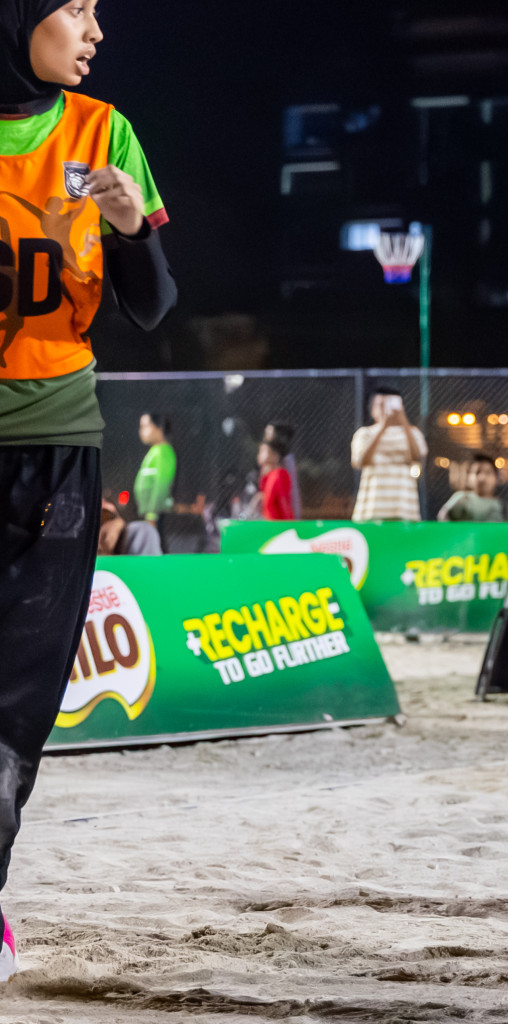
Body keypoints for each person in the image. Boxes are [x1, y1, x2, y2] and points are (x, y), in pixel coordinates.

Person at [0, 0, 176, 984]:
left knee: (16, 701)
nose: (96, 28)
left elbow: (151, 304)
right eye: (76, 7)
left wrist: (129, 229)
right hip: (48, 448)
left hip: (52, 449)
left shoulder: (103, 133)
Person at [350, 387, 426, 521]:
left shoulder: (414, 433)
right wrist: (383, 427)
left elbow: (417, 457)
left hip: (405, 509)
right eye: (381, 405)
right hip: (371, 510)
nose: (386, 409)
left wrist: (403, 421)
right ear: (372, 408)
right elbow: (361, 461)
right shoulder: (364, 433)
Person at [439, 452, 506, 522]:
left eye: (488, 472)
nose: (482, 478)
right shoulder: (463, 498)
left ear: (496, 478)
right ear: (469, 477)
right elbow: (443, 518)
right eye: (477, 472)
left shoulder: (501, 505)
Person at [133, 411, 175, 523]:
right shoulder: (154, 451)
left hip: (156, 517)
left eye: (145, 426)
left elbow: (161, 484)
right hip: (149, 515)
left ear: (159, 428)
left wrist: (152, 515)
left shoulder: (163, 451)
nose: (141, 431)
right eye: (140, 427)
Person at [263, 421, 301, 518]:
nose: (266, 437)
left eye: (269, 433)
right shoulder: (271, 468)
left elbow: (286, 498)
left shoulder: (285, 463)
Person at [258, 436, 294, 521]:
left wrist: (290, 527)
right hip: (269, 526)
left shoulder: (280, 474)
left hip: (279, 528)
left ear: (275, 456)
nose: (260, 454)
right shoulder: (267, 476)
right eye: (260, 451)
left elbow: (284, 505)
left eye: (264, 451)